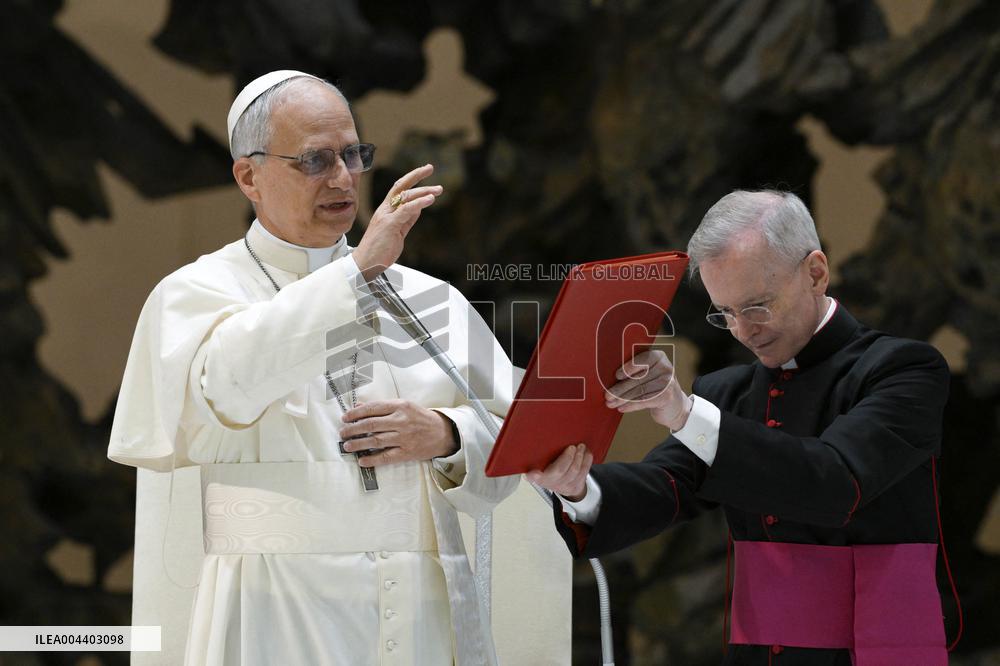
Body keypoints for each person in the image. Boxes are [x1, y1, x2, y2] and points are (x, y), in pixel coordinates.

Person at [108, 70, 518, 666]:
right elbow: (226, 387)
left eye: (353, 155)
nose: (344, 178)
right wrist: (356, 274)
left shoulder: (429, 299)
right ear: (249, 175)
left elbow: (515, 440)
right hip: (276, 610)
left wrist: (448, 434)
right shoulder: (197, 291)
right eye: (315, 161)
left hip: (424, 612)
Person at [530, 190, 953, 665]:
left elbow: (835, 482)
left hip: (878, 646)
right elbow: (668, 486)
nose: (743, 331)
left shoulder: (904, 369)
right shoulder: (726, 391)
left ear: (816, 272)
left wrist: (684, 415)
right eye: (725, 313)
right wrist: (579, 488)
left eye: (757, 306)